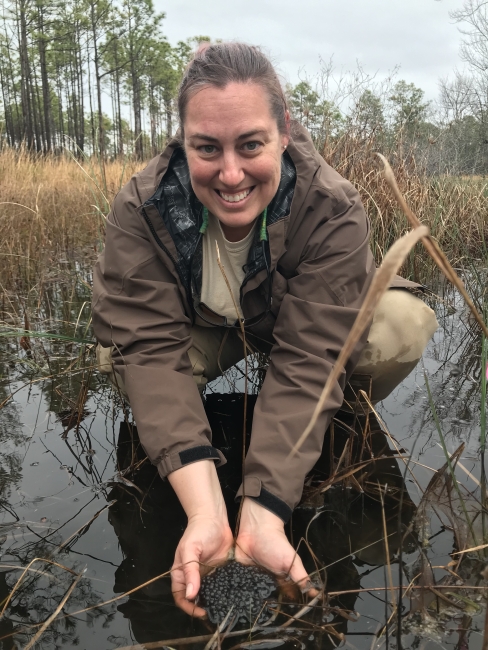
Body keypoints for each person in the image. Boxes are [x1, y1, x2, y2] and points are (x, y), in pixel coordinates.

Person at [92, 42, 438, 617]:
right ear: (183, 141)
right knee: (122, 361)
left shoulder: (331, 205)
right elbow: (149, 348)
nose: (231, 174)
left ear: (283, 132)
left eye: (250, 144)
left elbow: (310, 356)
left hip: (291, 323)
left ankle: (331, 419)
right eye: (207, 148)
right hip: (204, 327)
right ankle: (192, 451)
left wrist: (265, 512)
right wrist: (206, 514)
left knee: (399, 325)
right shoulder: (143, 208)